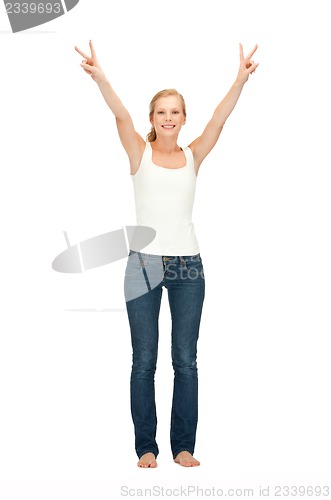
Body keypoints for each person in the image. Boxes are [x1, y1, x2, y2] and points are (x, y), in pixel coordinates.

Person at [75, 40, 259, 468]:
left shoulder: (194, 156)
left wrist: (239, 81)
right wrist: (103, 79)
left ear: (183, 118)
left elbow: (220, 118)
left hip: (188, 267)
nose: (170, 117)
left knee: (186, 360)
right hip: (142, 264)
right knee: (144, 360)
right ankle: (146, 447)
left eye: (176, 111)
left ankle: (183, 446)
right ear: (153, 119)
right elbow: (120, 115)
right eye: (162, 112)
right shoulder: (139, 153)